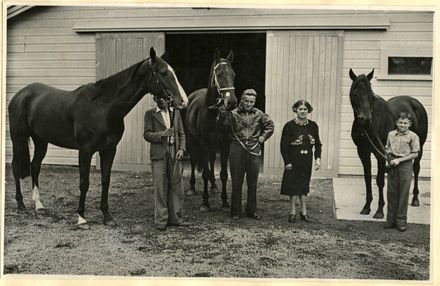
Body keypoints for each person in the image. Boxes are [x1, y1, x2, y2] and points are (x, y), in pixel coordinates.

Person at [218, 88, 274, 220]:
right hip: (237, 149)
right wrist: (222, 113)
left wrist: (263, 137)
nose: (248, 104)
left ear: (254, 102)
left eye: (251, 101)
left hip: (253, 150)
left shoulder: (259, 114)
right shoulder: (233, 114)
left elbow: (270, 125)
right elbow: (222, 126)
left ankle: (251, 210)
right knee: (237, 181)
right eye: (246, 101)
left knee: (252, 182)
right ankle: (235, 211)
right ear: (241, 101)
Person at [143, 95, 187, 231]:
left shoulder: (176, 113)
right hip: (159, 154)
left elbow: (181, 134)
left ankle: (176, 218)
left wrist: (181, 149)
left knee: (176, 186)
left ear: (169, 99)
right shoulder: (150, 114)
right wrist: (162, 134)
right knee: (160, 187)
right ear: (155, 99)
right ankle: (161, 221)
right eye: (158, 98)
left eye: (165, 98)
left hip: (175, 153)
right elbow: (147, 134)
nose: (162, 100)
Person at [280, 99, 321, 223]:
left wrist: (317, 158)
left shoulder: (313, 126)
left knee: (304, 185)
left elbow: (318, 144)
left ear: (308, 111)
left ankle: (304, 212)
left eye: (305, 109)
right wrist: (287, 161)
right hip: (293, 160)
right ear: (295, 110)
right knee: (292, 186)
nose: (302, 111)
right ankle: (292, 212)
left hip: (306, 159)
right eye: (300, 109)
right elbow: (283, 146)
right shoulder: (289, 126)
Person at [383, 112, 420, 232]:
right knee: (391, 192)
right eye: (400, 122)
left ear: (409, 124)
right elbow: (387, 148)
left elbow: (415, 154)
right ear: (396, 123)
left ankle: (401, 221)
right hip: (393, 163)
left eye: (405, 123)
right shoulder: (391, 134)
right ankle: (390, 220)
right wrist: (388, 157)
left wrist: (400, 160)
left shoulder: (413, 136)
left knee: (403, 193)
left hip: (405, 165)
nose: (402, 125)